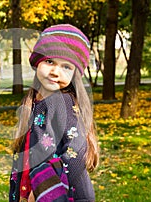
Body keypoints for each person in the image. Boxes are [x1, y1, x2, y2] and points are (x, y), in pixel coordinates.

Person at [9, 24, 100, 202]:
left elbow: (76, 152)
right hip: (32, 187)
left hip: (60, 193)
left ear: (74, 74)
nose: (55, 72)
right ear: (37, 62)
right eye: (50, 61)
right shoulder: (33, 101)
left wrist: (45, 189)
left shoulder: (62, 101)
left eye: (66, 67)